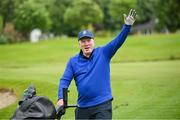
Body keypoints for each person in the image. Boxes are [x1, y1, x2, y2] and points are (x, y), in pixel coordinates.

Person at [57, 9, 136, 119]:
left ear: (93, 41)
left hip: (102, 105)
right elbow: (64, 80)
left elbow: (118, 41)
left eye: (88, 40)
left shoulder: (103, 53)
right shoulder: (73, 61)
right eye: (83, 41)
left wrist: (127, 26)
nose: (86, 44)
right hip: (82, 107)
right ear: (79, 44)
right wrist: (61, 98)